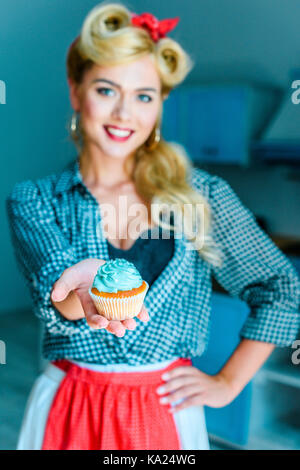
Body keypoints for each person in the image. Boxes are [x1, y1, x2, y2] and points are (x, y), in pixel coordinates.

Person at [6, 2, 300, 451]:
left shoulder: (202, 194)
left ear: (160, 104)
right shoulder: (36, 199)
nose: (125, 113)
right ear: (75, 90)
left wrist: (228, 382)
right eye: (107, 90)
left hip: (165, 409)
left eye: (144, 95)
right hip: (69, 404)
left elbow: (280, 286)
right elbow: (57, 291)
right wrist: (85, 296)